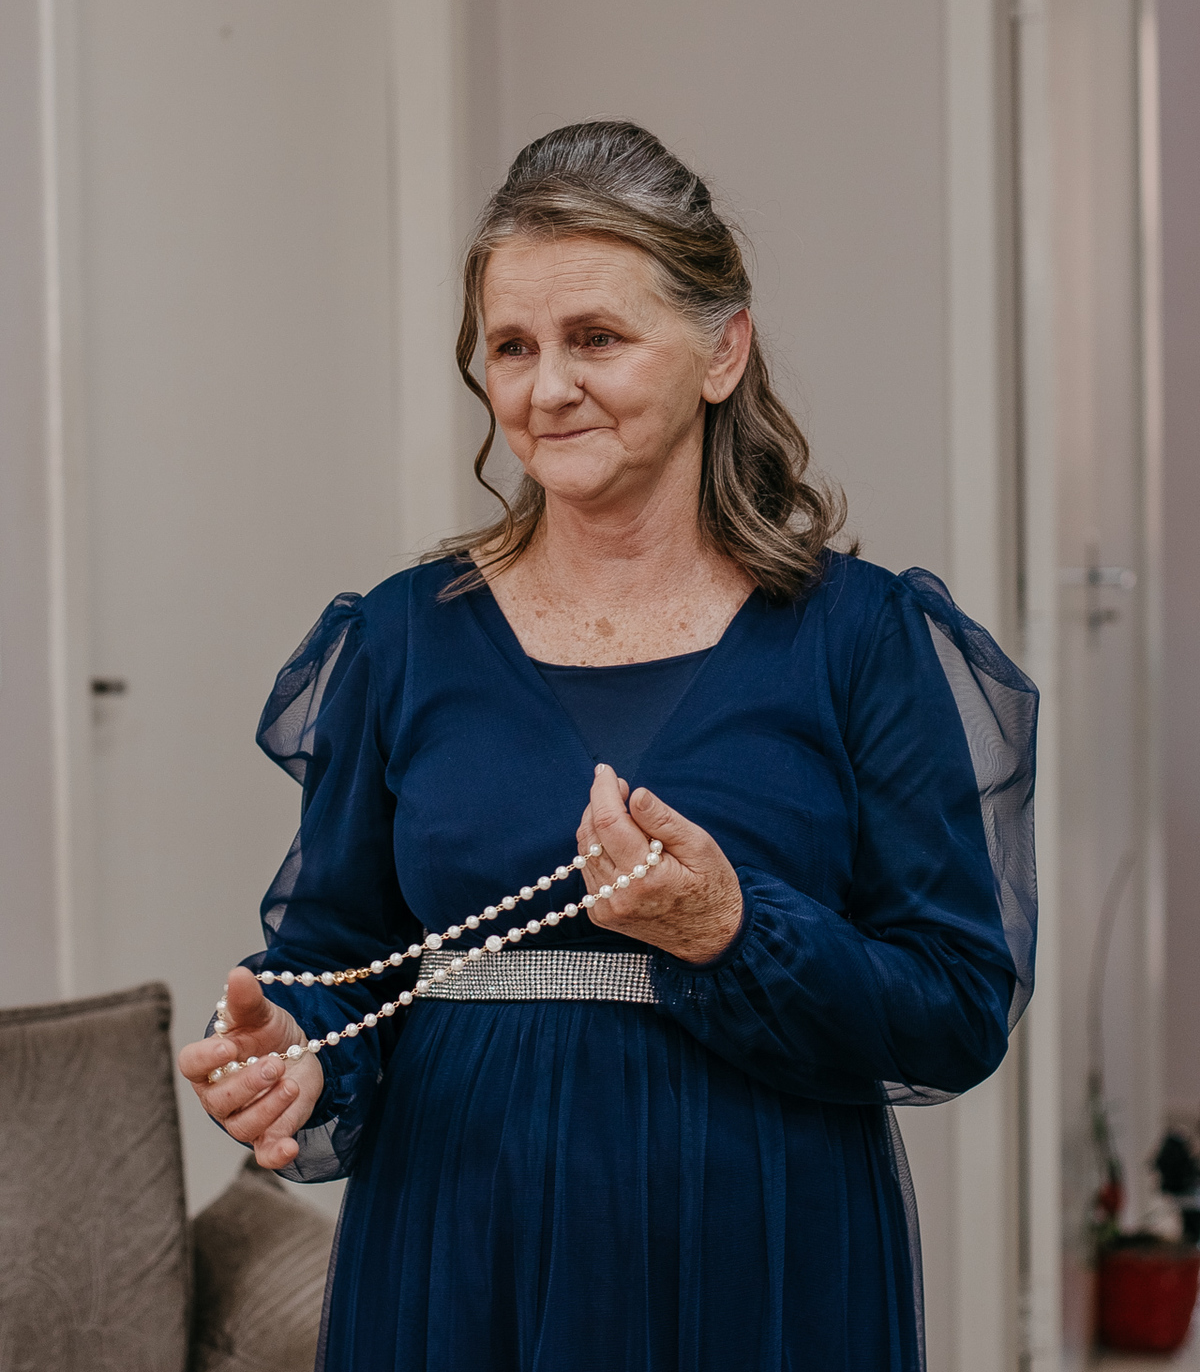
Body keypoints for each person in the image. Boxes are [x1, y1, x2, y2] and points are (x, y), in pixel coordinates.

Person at [179, 121, 1037, 1372]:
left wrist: (736, 932)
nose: (546, 389)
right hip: (458, 1244)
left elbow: (956, 1009)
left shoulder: (859, 639)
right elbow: (339, 958)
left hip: (761, 1250)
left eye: (596, 338)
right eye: (512, 347)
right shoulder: (405, 638)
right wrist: (298, 1047)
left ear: (721, 351)